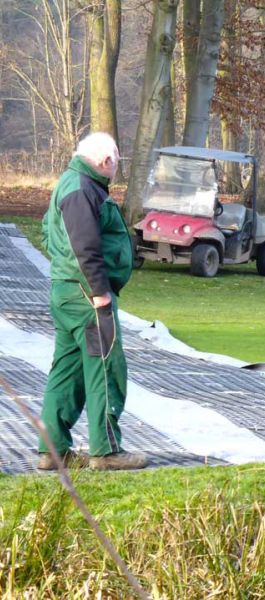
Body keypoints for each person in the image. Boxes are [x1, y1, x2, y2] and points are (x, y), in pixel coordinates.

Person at [39, 132, 148, 471]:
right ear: (106, 161)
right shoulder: (81, 190)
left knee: (67, 371)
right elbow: (84, 246)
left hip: (68, 292)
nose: (116, 170)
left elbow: (48, 234)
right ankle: (106, 451)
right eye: (117, 163)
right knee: (105, 368)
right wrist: (99, 292)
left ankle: (52, 450)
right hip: (88, 297)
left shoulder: (71, 185)